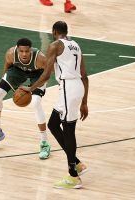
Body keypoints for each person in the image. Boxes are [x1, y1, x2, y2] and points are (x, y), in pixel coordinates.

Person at [21, 21, 89, 189]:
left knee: (69, 130)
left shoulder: (55, 45)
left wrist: (31, 88)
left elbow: (46, 74)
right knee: (53, 124)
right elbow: (85, 75)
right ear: (66, 31)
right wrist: (84, 102)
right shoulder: (76, 45)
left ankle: (73, 176)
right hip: (77, 87)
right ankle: (77, 163)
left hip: (68, 88)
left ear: (54, 31)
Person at [0, 38, 51, 160]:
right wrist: (0, 81)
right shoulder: (10, 54)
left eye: (27, 51)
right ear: (17, 50)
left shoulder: (40, 58)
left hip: (38, 74)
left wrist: (31, 88)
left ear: (31, 50)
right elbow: (8, 66)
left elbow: (47, 75)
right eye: (21, 51)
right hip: (18, 71)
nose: (24, 54)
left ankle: (44, 143)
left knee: (35, 103)